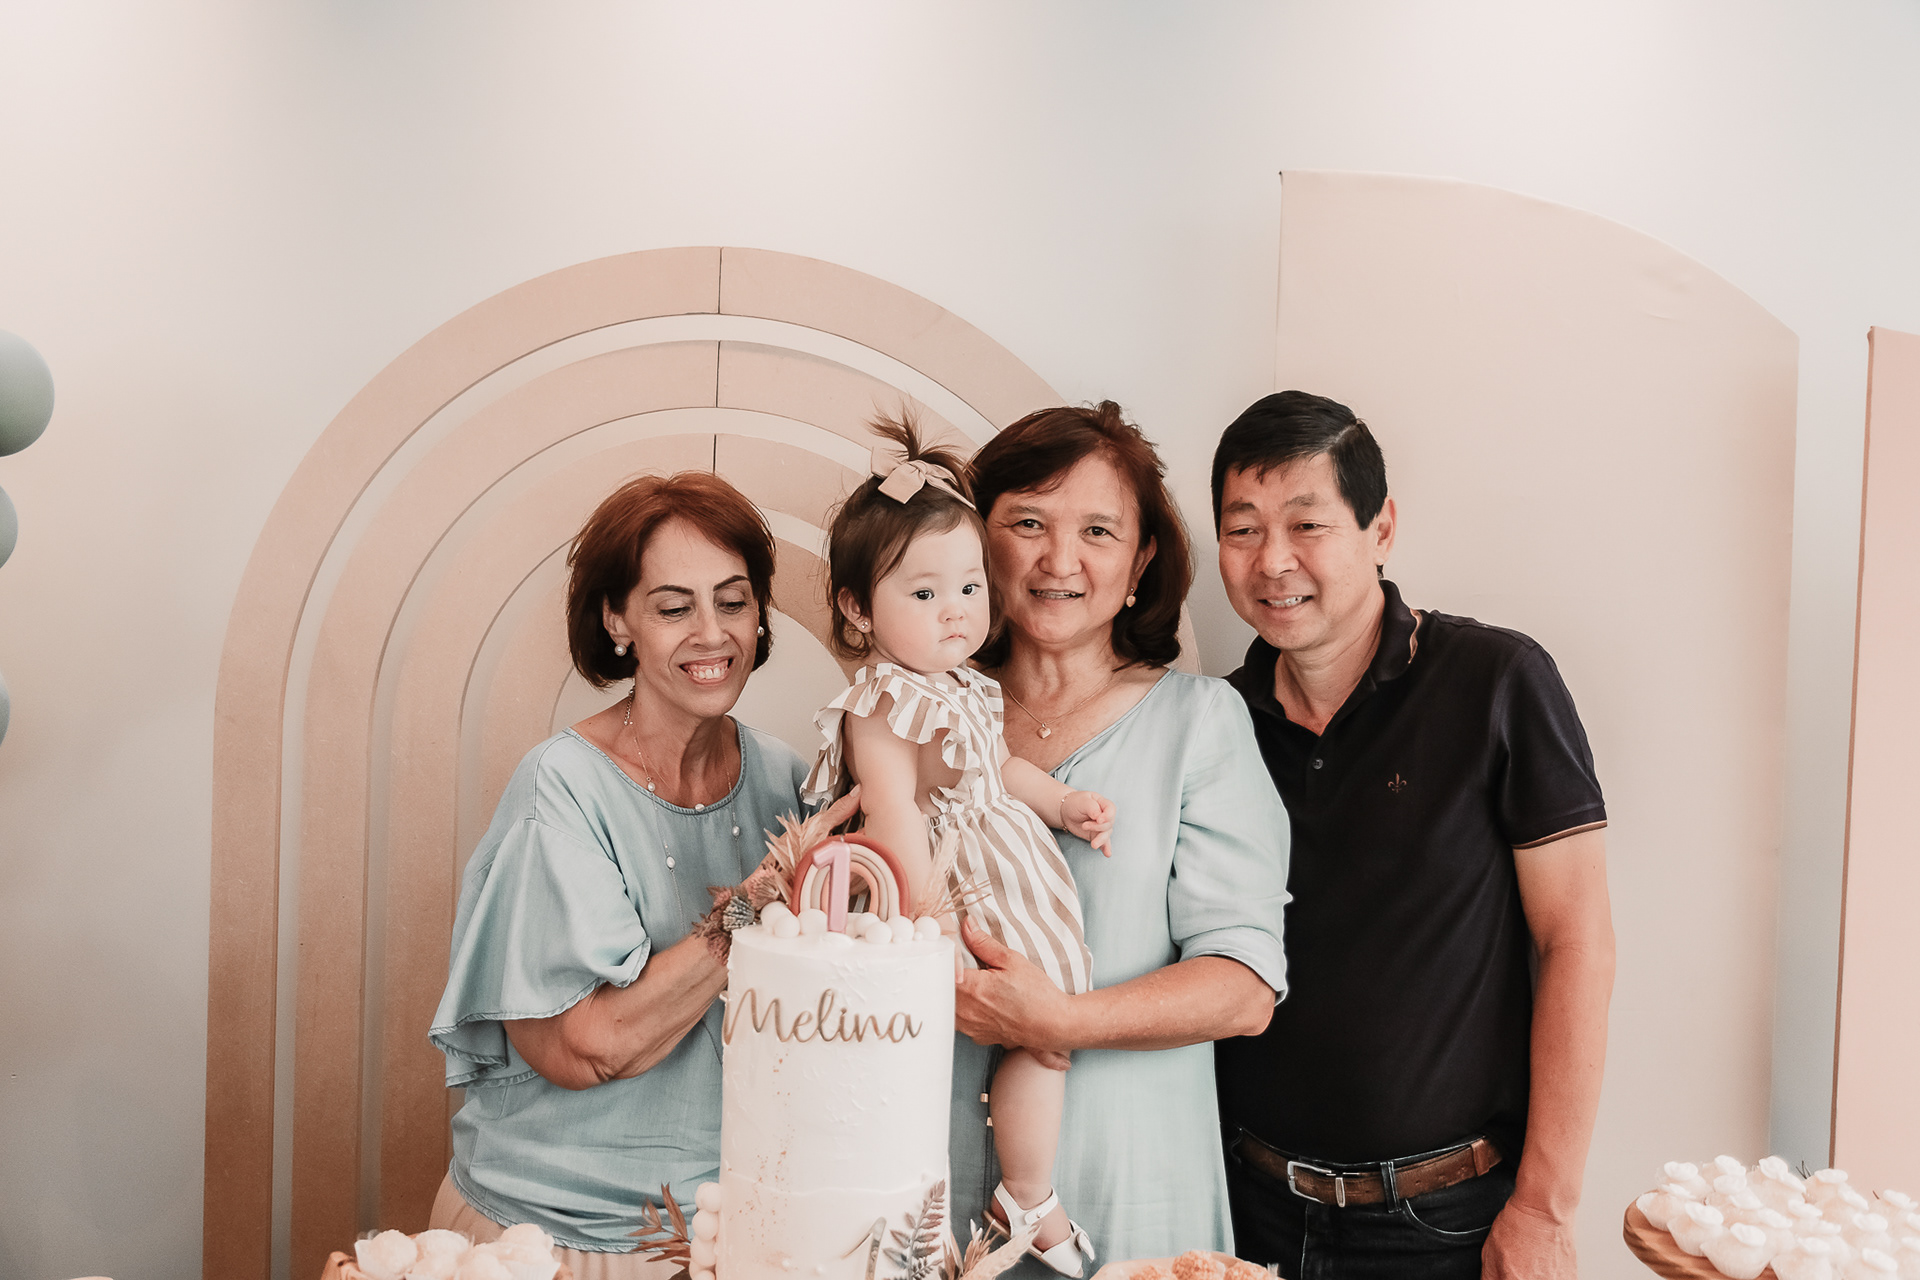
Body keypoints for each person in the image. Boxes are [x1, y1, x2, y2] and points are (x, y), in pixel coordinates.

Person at [1209, 391, 1616, 1280]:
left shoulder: (1496, 681)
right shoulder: (1216, 721)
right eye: (1242, 531)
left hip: (1445, 1221)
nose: (1273, 561)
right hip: (1247, 1211)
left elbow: (1577, 939)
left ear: (1380, 527)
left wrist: (1545, 1208)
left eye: (1306, 524)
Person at [427, 472, 856, 1279]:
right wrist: (755, 902)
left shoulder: (784, 778)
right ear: (616, 619)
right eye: (673, 608)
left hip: (728, 1237)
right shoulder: (561, 788)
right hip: (553, 1240)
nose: (712, 634)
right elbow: (589, 1047)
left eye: (733, 602)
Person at [946, 401, 1291, 1273]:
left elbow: (1244, 988)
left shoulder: (1199, 722)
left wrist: (1058, 1019)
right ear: (975, 540)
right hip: (933, 1191)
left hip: (1133, 1181)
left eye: (1097, 531)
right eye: (1028, 522)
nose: (1060, 560)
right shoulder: (924, 714)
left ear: (1139, 563)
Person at [804, 414, 1117, 1277]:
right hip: (942, 890)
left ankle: (1026, 1189)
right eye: (923, 594)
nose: (956, 611)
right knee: (930, 1053)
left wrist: (1063, 804)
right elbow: (893, 812)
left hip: (1010, 877)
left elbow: (1000, 770)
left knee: (1046, 1032)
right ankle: (925, 1207)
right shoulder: (881, 701)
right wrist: (931, 923)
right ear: (857, 608)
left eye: (971, 586)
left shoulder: (966, 689)